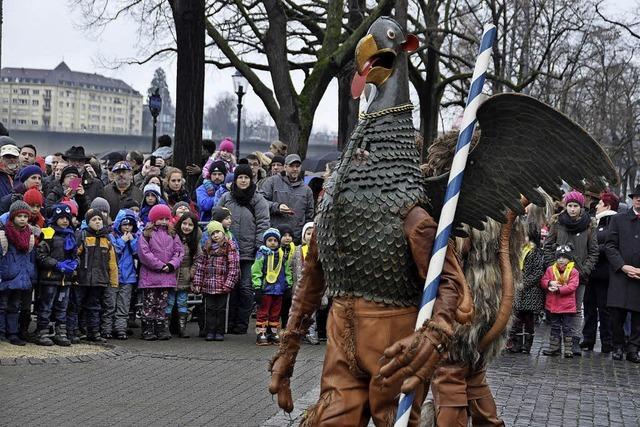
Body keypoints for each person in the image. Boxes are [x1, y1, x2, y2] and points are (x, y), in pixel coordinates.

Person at [543, 190, 598, 356]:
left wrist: (583, 270)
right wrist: (554, 268)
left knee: (575, 309)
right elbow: (548, 246)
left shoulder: (589, 225)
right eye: (569, 205)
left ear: (581, 207)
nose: (572, 209)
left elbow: (593, 251)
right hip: (557, 274)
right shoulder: (557, 222)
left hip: (579, 275)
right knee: (555, 308)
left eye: (575, 206)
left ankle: (573, 342)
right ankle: (555, 344)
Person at [217, 164, 270, 335]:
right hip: (227, 251)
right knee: (230, 288)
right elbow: (216, 220)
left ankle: (242, 323)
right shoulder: (226, 197)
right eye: (240, 177)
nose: (243, 180)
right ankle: (229, 322)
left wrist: (259, 245)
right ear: (236, 178)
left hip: (249, 252)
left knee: (246, 288)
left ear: (251, 179)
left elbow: (263, 223)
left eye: (246, 177)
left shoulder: (258, 199)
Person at [69, 208, 118, 343]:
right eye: (94, 219)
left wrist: (113, 281)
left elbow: (112, 261)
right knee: (76, 305)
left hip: (99, 279)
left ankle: (93, 332)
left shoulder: (107, 238)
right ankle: (73, 331)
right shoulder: (82, 235)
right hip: (82, 278)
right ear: (87, 222)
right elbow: (74, 255)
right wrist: (73, 274)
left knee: (94, 306)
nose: (97, 222)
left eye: (99, 219)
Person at [137, 204, 184, 341]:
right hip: (150, 277)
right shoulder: (147, 234)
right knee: (149, 303)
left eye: (166, 218)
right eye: (160, 218)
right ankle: (147, 328)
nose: (164, 221)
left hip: (166, 276)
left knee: (162, 303)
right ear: (153, 219)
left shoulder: (172, 234)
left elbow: (179, 252)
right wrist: (159, 265)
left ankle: (160, 327)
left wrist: (171, 265)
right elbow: (144, 253)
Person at [605, 185, 640, 363]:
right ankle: (617, 346)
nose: (639, 199)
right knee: (616, 314)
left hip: (639, 277)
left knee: (637, 317)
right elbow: (610, 246)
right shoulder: (619, 219)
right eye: (636, 196)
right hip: (620, 274)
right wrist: (623, 266)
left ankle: (633, 349)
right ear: (632, 199)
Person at [35, 204, 78, 346]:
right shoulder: (48, 233)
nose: (65, 221)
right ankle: (42, 331)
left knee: (62, 307)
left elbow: (75, 254)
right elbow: (41, 256)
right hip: (50, 278)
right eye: (61, 218)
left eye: (67, 218)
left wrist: (74, 263)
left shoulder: (71, 234)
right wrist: (56, 264)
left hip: (65, 280)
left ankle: (61, 332)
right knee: (46, 306)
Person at [582, 191, 618, 353]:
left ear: (608, 206)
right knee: (589, 307)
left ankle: (607, 342)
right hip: (591, 272)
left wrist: (594, 249)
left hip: (605, 274)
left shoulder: (614, 222)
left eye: (600, 204)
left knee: (604, 310)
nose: (596, 206)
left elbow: (612, 246)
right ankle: (588, 339)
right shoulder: (594, 222)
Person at [192, 220, 240, 341]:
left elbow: (234, 267)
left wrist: (229, 283)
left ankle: (220, 331)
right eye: (212, 233)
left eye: (218, 232)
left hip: (223, 286)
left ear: (223, 232)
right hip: (208, 286)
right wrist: (198, 284)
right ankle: (210, 330)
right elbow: (200, 267)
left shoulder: (229, 246)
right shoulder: (206, 248)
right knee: (209, 309)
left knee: (222, 309)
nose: (215, 235)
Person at [0, 201, 37, 345]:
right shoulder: (4, 234)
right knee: (2, 306)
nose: (23, 219)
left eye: (25, 216)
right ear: (12, 216)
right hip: (6, 275)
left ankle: (13, 333)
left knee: (15, 306)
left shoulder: (29, 234)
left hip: (20, 277)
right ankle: (2, 332)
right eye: (19, 216)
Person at [507, 221, 546, 354]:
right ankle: (517, 342)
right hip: (517, 289)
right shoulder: (517, 251)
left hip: (530, 291)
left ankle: (527, 344)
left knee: (528, 318)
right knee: (516, 318)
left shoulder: (534, 252)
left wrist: (524, 284)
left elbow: (537, 272)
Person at [260, 154, 314, 243]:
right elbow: (261, 202)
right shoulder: (272, 182)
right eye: (291, 166)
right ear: (285, 167)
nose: (295, 169)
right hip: (275, 238)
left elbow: (309, 216)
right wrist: (277, 207)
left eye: (297, 166)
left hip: (295, 239)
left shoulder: (307, 190)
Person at [252, 228, 293, 346]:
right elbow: (256, 270)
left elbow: (287, 271)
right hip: (266, 289)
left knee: (276, 313)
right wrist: (257, 287)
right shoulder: (261, 254)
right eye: (270, 240)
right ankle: (261, 333)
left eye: (275, 240)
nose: (273, 243)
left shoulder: (282, 255)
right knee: (263, 312)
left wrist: (288, 285)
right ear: (265, 242)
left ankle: (273, 332)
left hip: (279, 289)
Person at [541, 245, 580, 358]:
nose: (561, 260)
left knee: (567, 328)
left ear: (569, 259)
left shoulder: (573, 272)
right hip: (553, 305)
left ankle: (568, 349)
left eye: (564, 257)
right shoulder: (550, 270)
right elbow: (543, 281)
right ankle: (554, 348)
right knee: (555, 327)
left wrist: (559, 289)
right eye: (559, 257)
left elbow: (572, 286)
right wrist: (549, 283)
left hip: (567, 306)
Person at [168, 212, 201, 338]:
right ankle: (167, 327)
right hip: (172, 274)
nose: (186, 227)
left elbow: (198, 257)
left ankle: (182, 328)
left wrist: (191, 271)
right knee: (169, 302)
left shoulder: (194, 241)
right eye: (184, 223)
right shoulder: (172, 237)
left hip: (185, 275)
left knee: (182, 302)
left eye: (190, 225)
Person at [109, 209, 140, 340]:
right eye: (124, 224)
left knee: (123, 305)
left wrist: (132, 241)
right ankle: (108, 328)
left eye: (130, 225)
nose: (127, 227)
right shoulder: (112, 236)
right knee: (110, 305)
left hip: (128, 278)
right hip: (113, 277)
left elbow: (138, 253)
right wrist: (122, 241)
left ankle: (121, 329)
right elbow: (114, 252)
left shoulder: (135, 237)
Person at [290, 221, 321, 345]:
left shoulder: (320, 251)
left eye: (313, 233)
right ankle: (296, 332)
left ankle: (311, 332)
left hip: (313, 286)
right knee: (297, 310)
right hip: (299, 285)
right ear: (303, 236)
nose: (310, 236)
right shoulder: (298, 250)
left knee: (312, 312)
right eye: (308, 233)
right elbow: (291, 267)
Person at [278, 224, 296, 329]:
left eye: (289, 235)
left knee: (288, 305)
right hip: (278, 281)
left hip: (290, 281)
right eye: (284, 235)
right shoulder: (275, 250)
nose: (287, 238)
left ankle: (286, 325)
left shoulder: (295, 249)